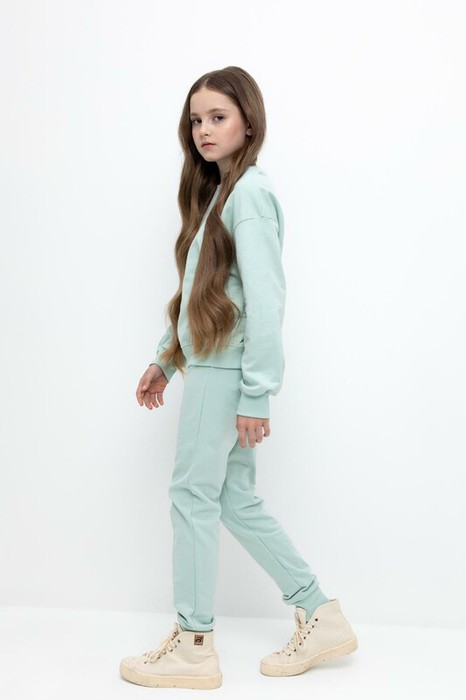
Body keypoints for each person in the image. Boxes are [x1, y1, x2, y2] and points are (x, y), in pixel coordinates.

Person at [119, 66, 358, 690]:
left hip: (224, 375)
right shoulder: (222, 195)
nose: (204, 129)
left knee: (190, 497)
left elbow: (266, 300)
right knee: (232, 500)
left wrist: (256, 393)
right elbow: (210, 295)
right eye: (196, 120)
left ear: (249, 122)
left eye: (218, 117)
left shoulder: (249, 195)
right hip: (212, 366)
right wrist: (166, 358)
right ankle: (319, 612)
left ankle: (193, 645)